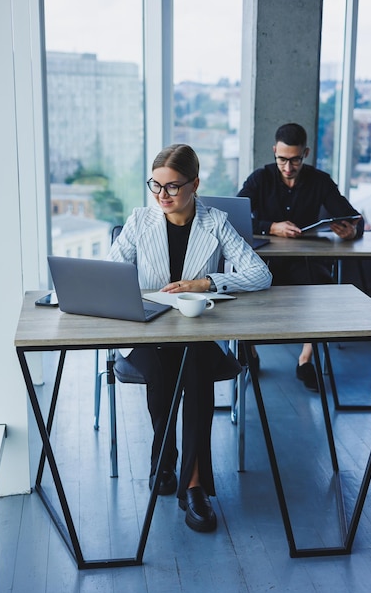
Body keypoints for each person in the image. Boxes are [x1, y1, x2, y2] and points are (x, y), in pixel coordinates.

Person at [108, 144, 272, 533]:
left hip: (198, 336)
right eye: (155, 186)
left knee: (194, 367)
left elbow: (260, 274)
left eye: (173, 187)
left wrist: (208, 282)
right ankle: (165, 457)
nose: (162, 196)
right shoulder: (139, 220)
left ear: (195, 184)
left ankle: (194, 485)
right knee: (164, 369)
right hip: (149, 334)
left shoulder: (215, 222)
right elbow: (111, 273)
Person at [238, 122, 364, 392]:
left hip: (304, 264)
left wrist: (351, 231)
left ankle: (306, 359)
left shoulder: (320, 181)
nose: (287, 167)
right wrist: (269, 226)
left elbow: (353, 217)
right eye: (282, 159)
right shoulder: (260, 178)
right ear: (274, 151)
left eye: (295, 160)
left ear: (305, 153)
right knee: (241, 293)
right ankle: (251, 355)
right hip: (265, 264)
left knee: (324, 293)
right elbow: (234, 216)